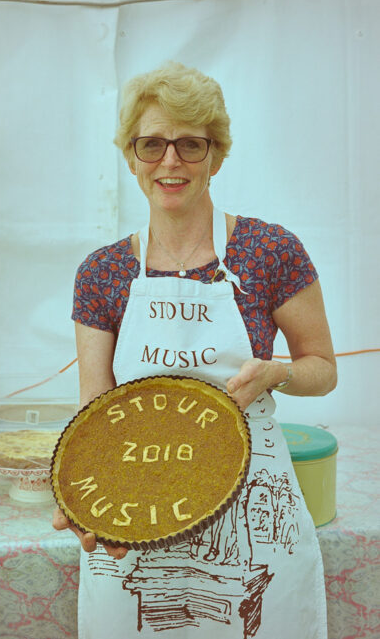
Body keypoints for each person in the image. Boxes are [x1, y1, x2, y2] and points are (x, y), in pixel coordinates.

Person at [53, 61, 337, 639]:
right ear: (131, 157)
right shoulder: (102, 272)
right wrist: (83, 497)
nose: (170, 162)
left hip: (249, 503)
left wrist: (276, 373)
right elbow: (95, 408)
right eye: (152, 144)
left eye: (190, 144)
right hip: (137, 499)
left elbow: (323, 370)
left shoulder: (269, 251)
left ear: (216, 154)